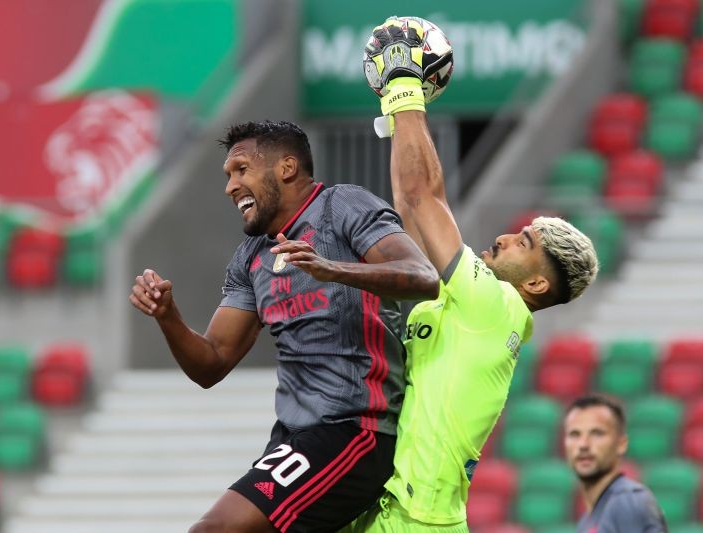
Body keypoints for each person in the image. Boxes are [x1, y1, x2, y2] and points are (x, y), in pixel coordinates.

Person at [344, 17, 601, 531]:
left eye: (524, 243)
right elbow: (410, 203)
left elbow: (422, 197)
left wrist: (402, 85)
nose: (506, 237)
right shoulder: (468, 310)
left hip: (416, 519)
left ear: (535, 286)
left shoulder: (493, 306)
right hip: (398, 510)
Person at [129, 119, 440, 532]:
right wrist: (168, 317)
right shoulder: (251, 257)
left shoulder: (341, 206)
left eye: (241, 170)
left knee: (213, 529)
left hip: (353, 432)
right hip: (291, 438)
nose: (230, 186)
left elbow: (424, 276)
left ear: (287, 167)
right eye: (227, 176)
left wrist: (336, 270)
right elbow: (212, 362)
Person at [564, 394, 668, 532]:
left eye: (597, 433)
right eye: (574, 434)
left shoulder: (627, 500)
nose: (583, 444)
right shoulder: (588, 520)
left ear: (621, 444)